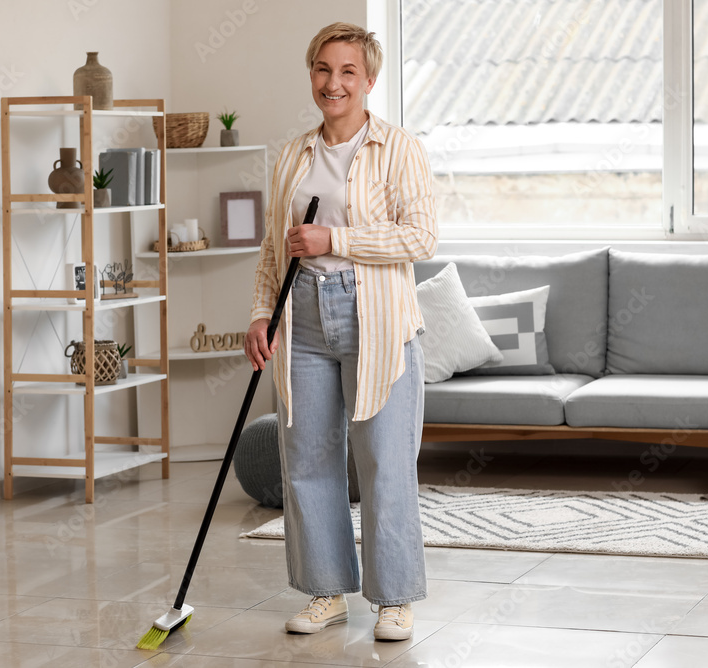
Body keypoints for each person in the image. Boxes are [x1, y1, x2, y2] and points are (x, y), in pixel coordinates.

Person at [244, 22, 438, 642]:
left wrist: (337, 240)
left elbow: (420, 237)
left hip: (376, 315)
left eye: (348, 72)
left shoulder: (399, 149)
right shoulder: (293, 155)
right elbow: (276, 249)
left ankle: (395, 599)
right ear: (312, 76)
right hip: (300, 313)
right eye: (324, 70)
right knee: (305, 457)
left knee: (384, 460)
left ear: (369, 81)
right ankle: (326, 590)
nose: (334, 83)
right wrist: (258, 313)